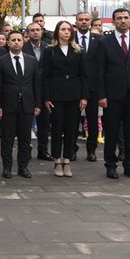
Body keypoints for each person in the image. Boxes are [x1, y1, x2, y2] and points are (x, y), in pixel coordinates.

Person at [96, 8, 130, 180]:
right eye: (119, 18)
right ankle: (110, 165)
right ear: (113, 21)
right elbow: (99, 71)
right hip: (112, 96)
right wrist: (101, 95)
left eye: (126, 18)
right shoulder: (104, 42)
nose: (123, 21)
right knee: (111, 132)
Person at [42, 21, 88, 178]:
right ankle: (57, 160)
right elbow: (45, 76)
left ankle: (67, 160)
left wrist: (84, 96)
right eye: (63, 29)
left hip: (74, 93)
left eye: (69, 29)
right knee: (57, 128)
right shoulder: (50, 51)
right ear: (57, 32)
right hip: (56, 94)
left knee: (71, 128)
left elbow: (84, 75)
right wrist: (46, 97)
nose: (66, 32)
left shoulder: (78, 51)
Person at [0, 31, 41, 179]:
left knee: (25, 139)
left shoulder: (32, 60)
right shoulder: (1, 61)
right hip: (8, 106)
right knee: (7, 139)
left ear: (23, 42)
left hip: (27, 105)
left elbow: (36, 85)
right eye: (13, 40)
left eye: (18, 40)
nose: (16, 42)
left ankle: (23, 167)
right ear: (8, 43)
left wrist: (37, 104)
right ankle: (7, 167)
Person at [74, 12, 102, 162]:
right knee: (72, 120)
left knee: (92, 120)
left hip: (93, 86)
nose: (83, 22)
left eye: (86, 20)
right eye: (80, 20)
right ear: (76, 22)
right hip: (74, 85)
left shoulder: (99, 39)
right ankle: (72, 148)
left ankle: (91, 150)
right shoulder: (69, 38)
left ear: (90, 22)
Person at [23, 22, 53, 161]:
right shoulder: (22, 47)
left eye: (37, 30)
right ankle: (26, 149)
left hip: (45, 89)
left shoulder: (49, 47)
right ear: (27, 33)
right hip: (27, 89)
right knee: (26, 122)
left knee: (44, 123)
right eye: (32, 30)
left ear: (42, 31)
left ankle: (43, 150)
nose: (35, 32)